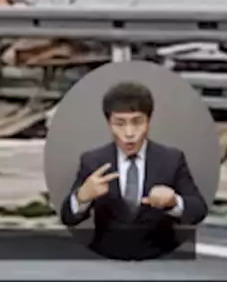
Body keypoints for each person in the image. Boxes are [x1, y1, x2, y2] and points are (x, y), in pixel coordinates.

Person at [58, 80, 208, 260]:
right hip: (106, 259)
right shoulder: (93, 161)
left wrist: (173, 202)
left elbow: (198, 210)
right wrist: (82, 197)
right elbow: (68, 217)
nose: (129, 133)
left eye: (137, 122)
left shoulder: (171, 159)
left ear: (149, 120)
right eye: (120, 124)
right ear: (109, 123)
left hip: (161, 259)